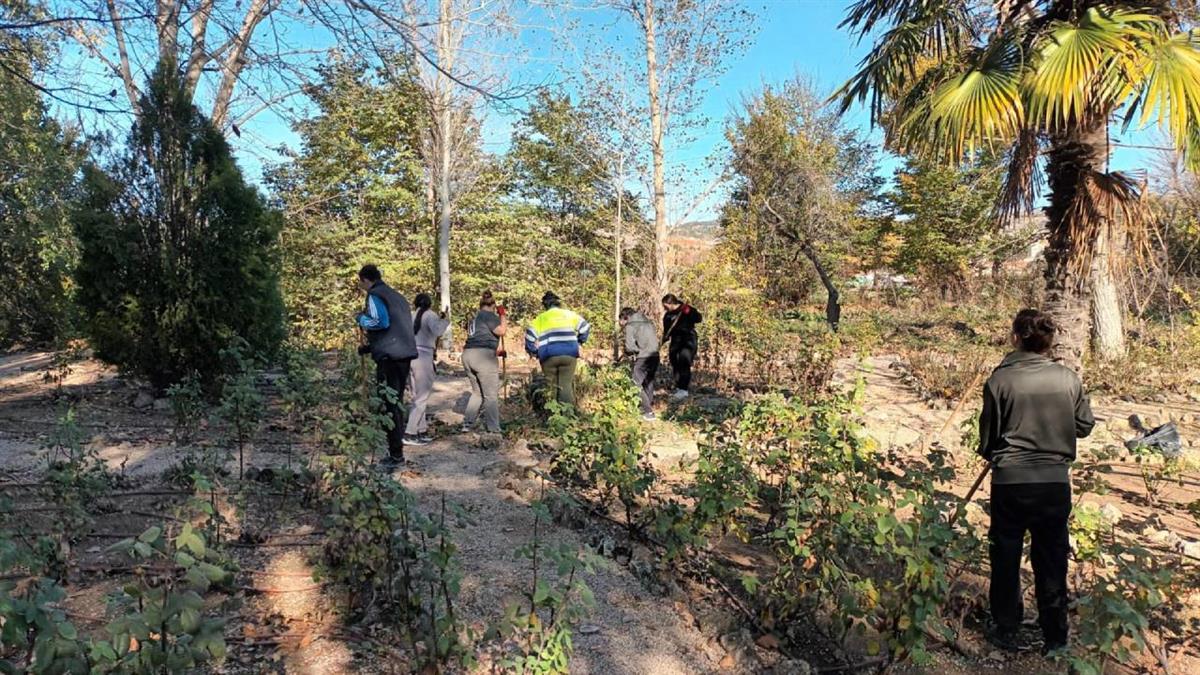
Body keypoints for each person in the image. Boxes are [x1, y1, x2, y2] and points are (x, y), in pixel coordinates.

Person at [978, 309, 1095, 655]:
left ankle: (1005, 627)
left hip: (1010, 483)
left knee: (1005, 554)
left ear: (1016, 337)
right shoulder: (1068, 378)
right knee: (1052, 557)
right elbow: (1084, 425)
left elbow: (988, 442)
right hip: (1053, 485)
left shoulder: (999, 380)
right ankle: (1055, 636)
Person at [356, 264, 418, 468]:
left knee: (389, 404)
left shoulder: (375, 295)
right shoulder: (397, 296)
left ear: (366, 280)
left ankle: (395, 455)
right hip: (404, 355)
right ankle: (396, 451)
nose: (362, 287)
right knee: (397, 403)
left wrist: (360, 319)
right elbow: (398, 328)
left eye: (361, 282)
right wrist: (369, 348)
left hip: (390, 358)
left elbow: (380, 322)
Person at [525, 291, 591, 407]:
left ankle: (552, 417)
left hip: (548, 356)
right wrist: (579, 342)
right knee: (565, 385)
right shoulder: (569, 315)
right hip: (569, 354)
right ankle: (567, 417)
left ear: (545, 305)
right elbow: (585, 327)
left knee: (551, 387)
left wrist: (535, 352)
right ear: (558, 303)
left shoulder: (541, 318)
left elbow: (529, 336)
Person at [404, 293, 450, 445]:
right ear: (429, 304)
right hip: (424, 357)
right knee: (422, 397)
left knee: (416, 396)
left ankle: (420, 429)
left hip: (410, 355)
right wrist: (445, 319)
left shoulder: (410, 315)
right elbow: (438, 331)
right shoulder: (430, 315)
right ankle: (410, 432)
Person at [461, 291, 507, 434]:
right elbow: (501, 331)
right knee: (491, 395)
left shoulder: (475, 318)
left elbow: (479, 338)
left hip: (468, 355)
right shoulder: (489, 316)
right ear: (493, 305)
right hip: (483, 357)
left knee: (477, 393)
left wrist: (496, 351)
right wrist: (502, 315)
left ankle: (467, 424)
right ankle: (494, 429)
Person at [620, 307, 659, 421]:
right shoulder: (648, 322)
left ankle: (648, 411)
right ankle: (649, 407)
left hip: (643, 357)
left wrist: (632, 352)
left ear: (625, 317)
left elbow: (629, 347)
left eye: (621, 322)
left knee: (635, 383)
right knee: (648, 382)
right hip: (655, 356)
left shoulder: (631, 325)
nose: (621, 325)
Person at [661, 293, 702, 400]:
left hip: (688, 339)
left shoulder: (686, 309)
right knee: (674, 361)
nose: (664, 308)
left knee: (684, 361)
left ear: (671, 303)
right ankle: (679, 387)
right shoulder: (668, 315)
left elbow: (698, 319)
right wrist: (664, 337)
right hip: (676, 340)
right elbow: (666, 330)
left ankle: (684, 389)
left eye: (665, 306)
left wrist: (689, 311)